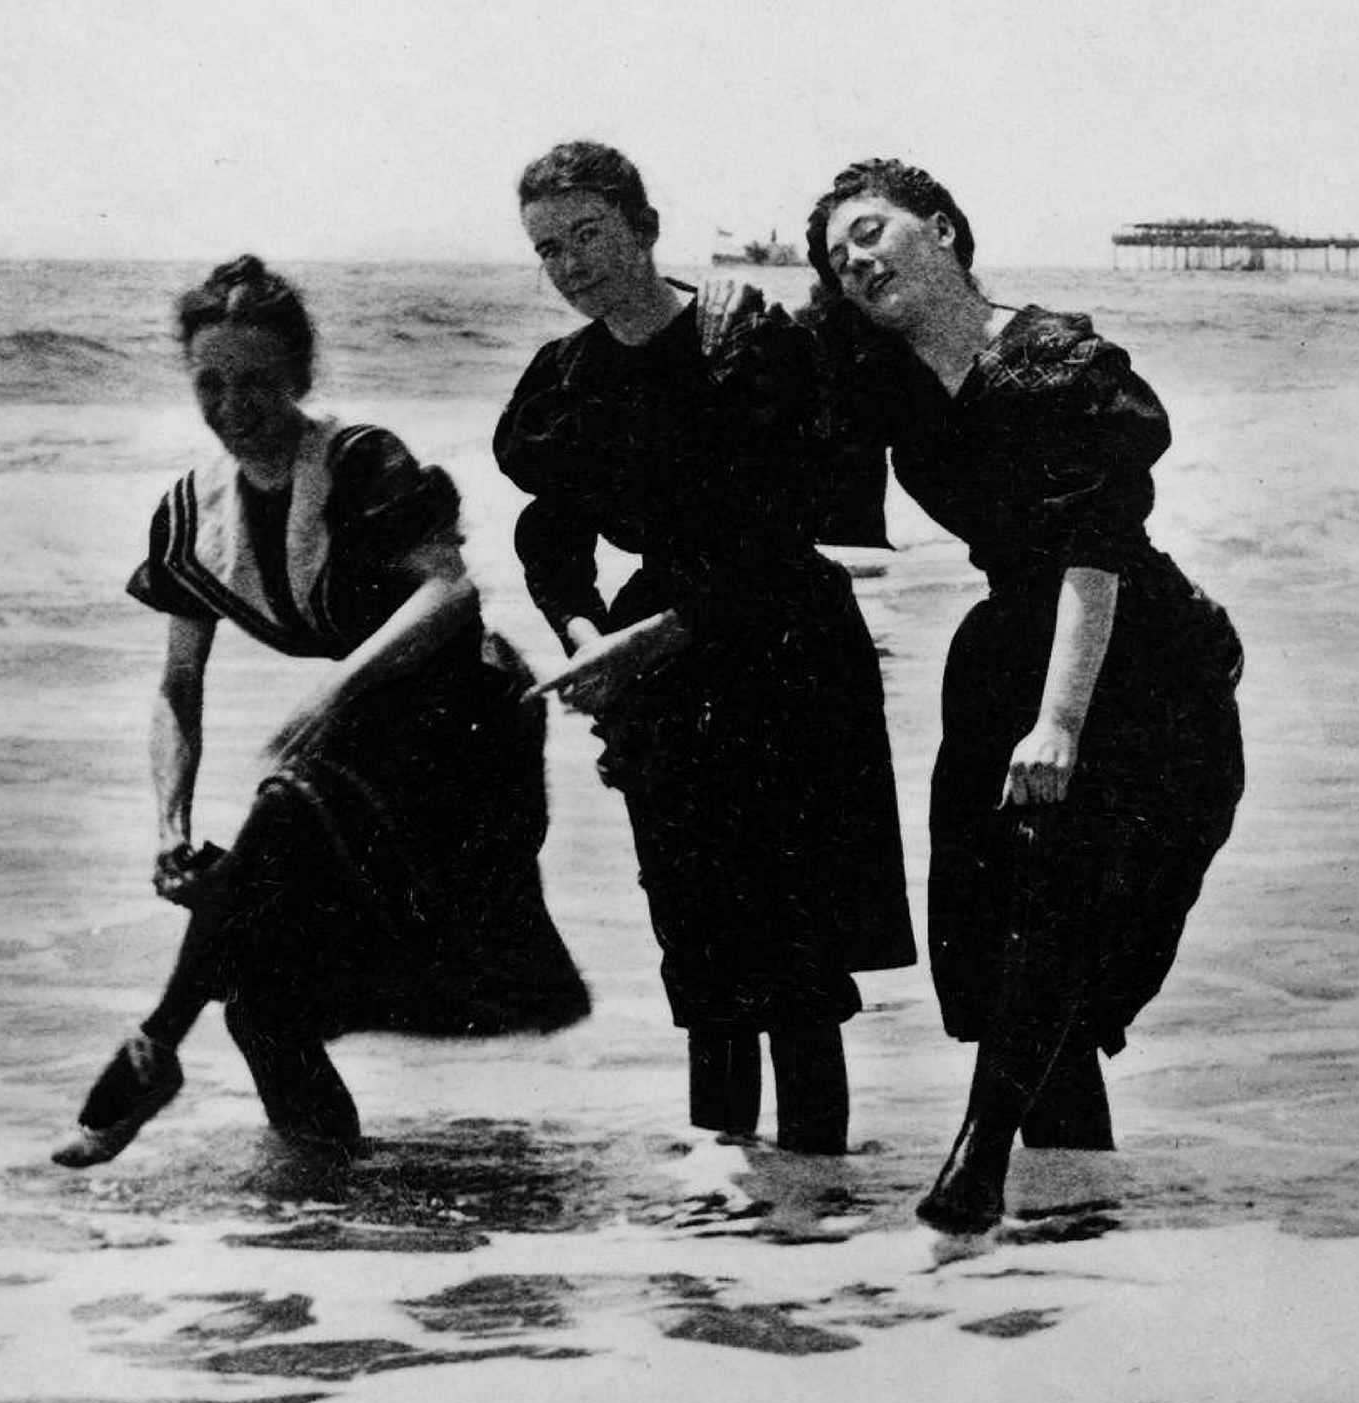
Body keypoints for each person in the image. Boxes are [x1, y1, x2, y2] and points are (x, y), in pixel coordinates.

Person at [53, 258, 589, 1168]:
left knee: (287, 799)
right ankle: (323, 1200)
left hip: (463, 736)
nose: (233, 404)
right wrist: (168, 828)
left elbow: (450, 593)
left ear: (300, 376)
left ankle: (152, 1048)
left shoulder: (360, 460)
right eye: (210, 382)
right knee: (264, 1004)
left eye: (257, 380)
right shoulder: (193, 514)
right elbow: (178, 684)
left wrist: (336, 690)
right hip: (359, 751)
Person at [807, 159, 1244, 1234]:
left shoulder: (1056, 358)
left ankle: (980, 1163)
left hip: (1127, 657)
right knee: (1009, 937)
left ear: (945, 231)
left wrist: (1058, 721)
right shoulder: (879, 375)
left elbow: (1093, 550)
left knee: (1056, 920)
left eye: (873, 233)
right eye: (835, 256)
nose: (856, 262)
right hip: (1006, 642)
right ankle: (1073, 1227)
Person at [494, 142, 913, 1155]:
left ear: (644, 227)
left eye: (590, 235)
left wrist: (644, 643)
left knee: (796, 960)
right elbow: (546, 533)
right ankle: (723, 1198)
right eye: (549, 249)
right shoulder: (563, 379)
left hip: (783, 650)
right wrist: (586, 634)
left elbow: (786, 528)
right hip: (661, 670)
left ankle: (814, 1202)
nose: (572, 264)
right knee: (700, 953)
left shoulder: (746, 342)